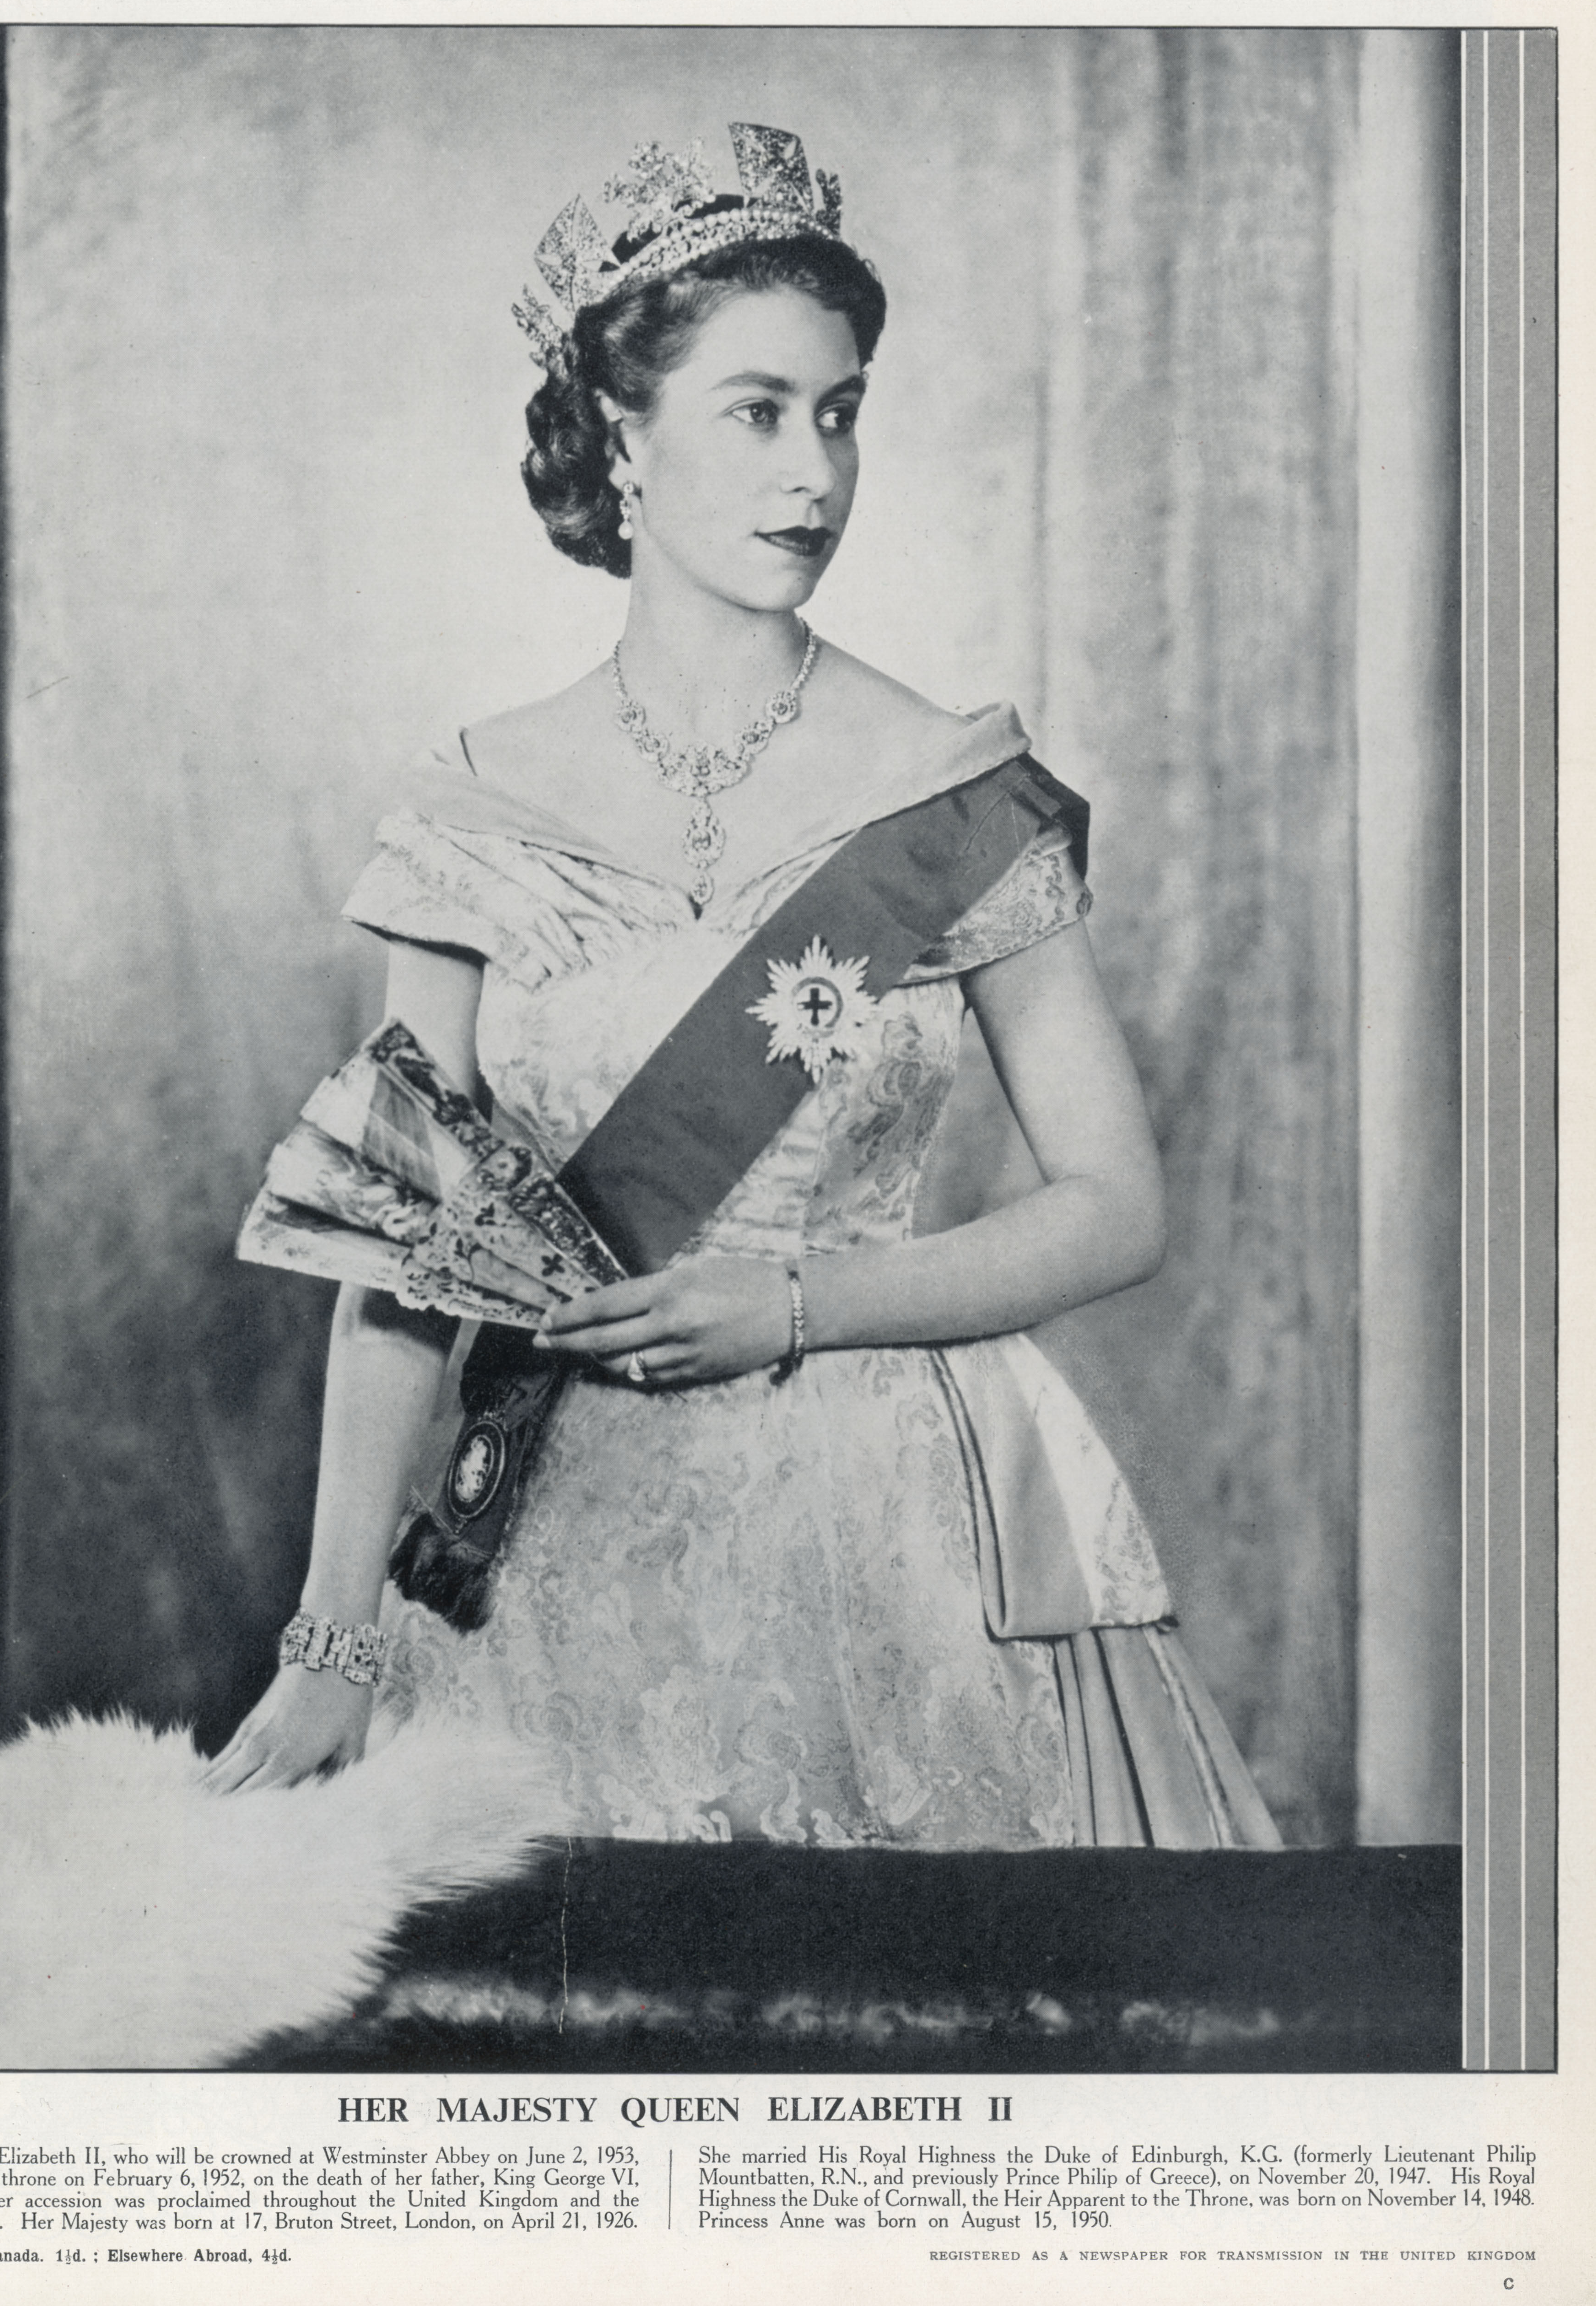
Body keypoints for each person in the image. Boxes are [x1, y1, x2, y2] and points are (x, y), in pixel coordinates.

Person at [206, 122, 1279, 1853]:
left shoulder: (945, 788)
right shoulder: (473, 808)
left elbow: (1116, 1205)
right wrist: (331, 1641)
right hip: (546, 1545)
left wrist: (796, 1301)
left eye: (841, 411)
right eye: (757, 410)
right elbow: (402, 1269)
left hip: (898, 1538)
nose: (816, 472)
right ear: (623, 433)